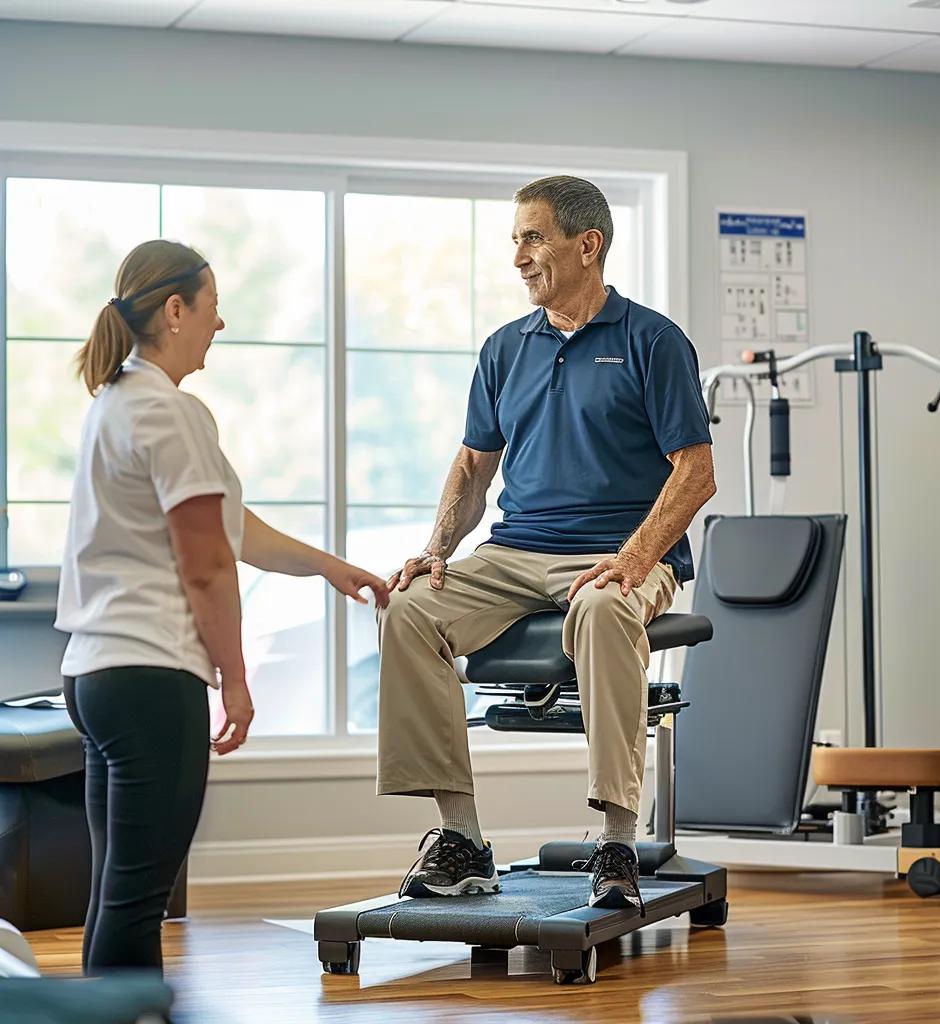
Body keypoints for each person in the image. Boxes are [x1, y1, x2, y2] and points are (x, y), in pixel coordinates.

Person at [378, 176, 716, 912]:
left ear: (586, 245)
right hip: (515, 553)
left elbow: (695, 474)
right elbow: (473, 465)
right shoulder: (506, 348)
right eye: (516, 240)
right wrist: (438, 547)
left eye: (533, 238)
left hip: (619, 552)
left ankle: (618, 842)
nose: (518, 257)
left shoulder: (651, 341)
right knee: (408, 606)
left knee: (602, 608)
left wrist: (633, 561)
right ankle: (461, 839)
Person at [54, 239, 390, 975]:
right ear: (175, 311)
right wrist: (235, 680)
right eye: (211, 306)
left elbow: (235, 530)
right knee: (138, 899)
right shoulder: (171, 413)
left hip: (95, 675)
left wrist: (331, 567)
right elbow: (206, 565)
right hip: (150, 677)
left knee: (117, 891)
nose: (221, 322)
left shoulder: (116, 402)